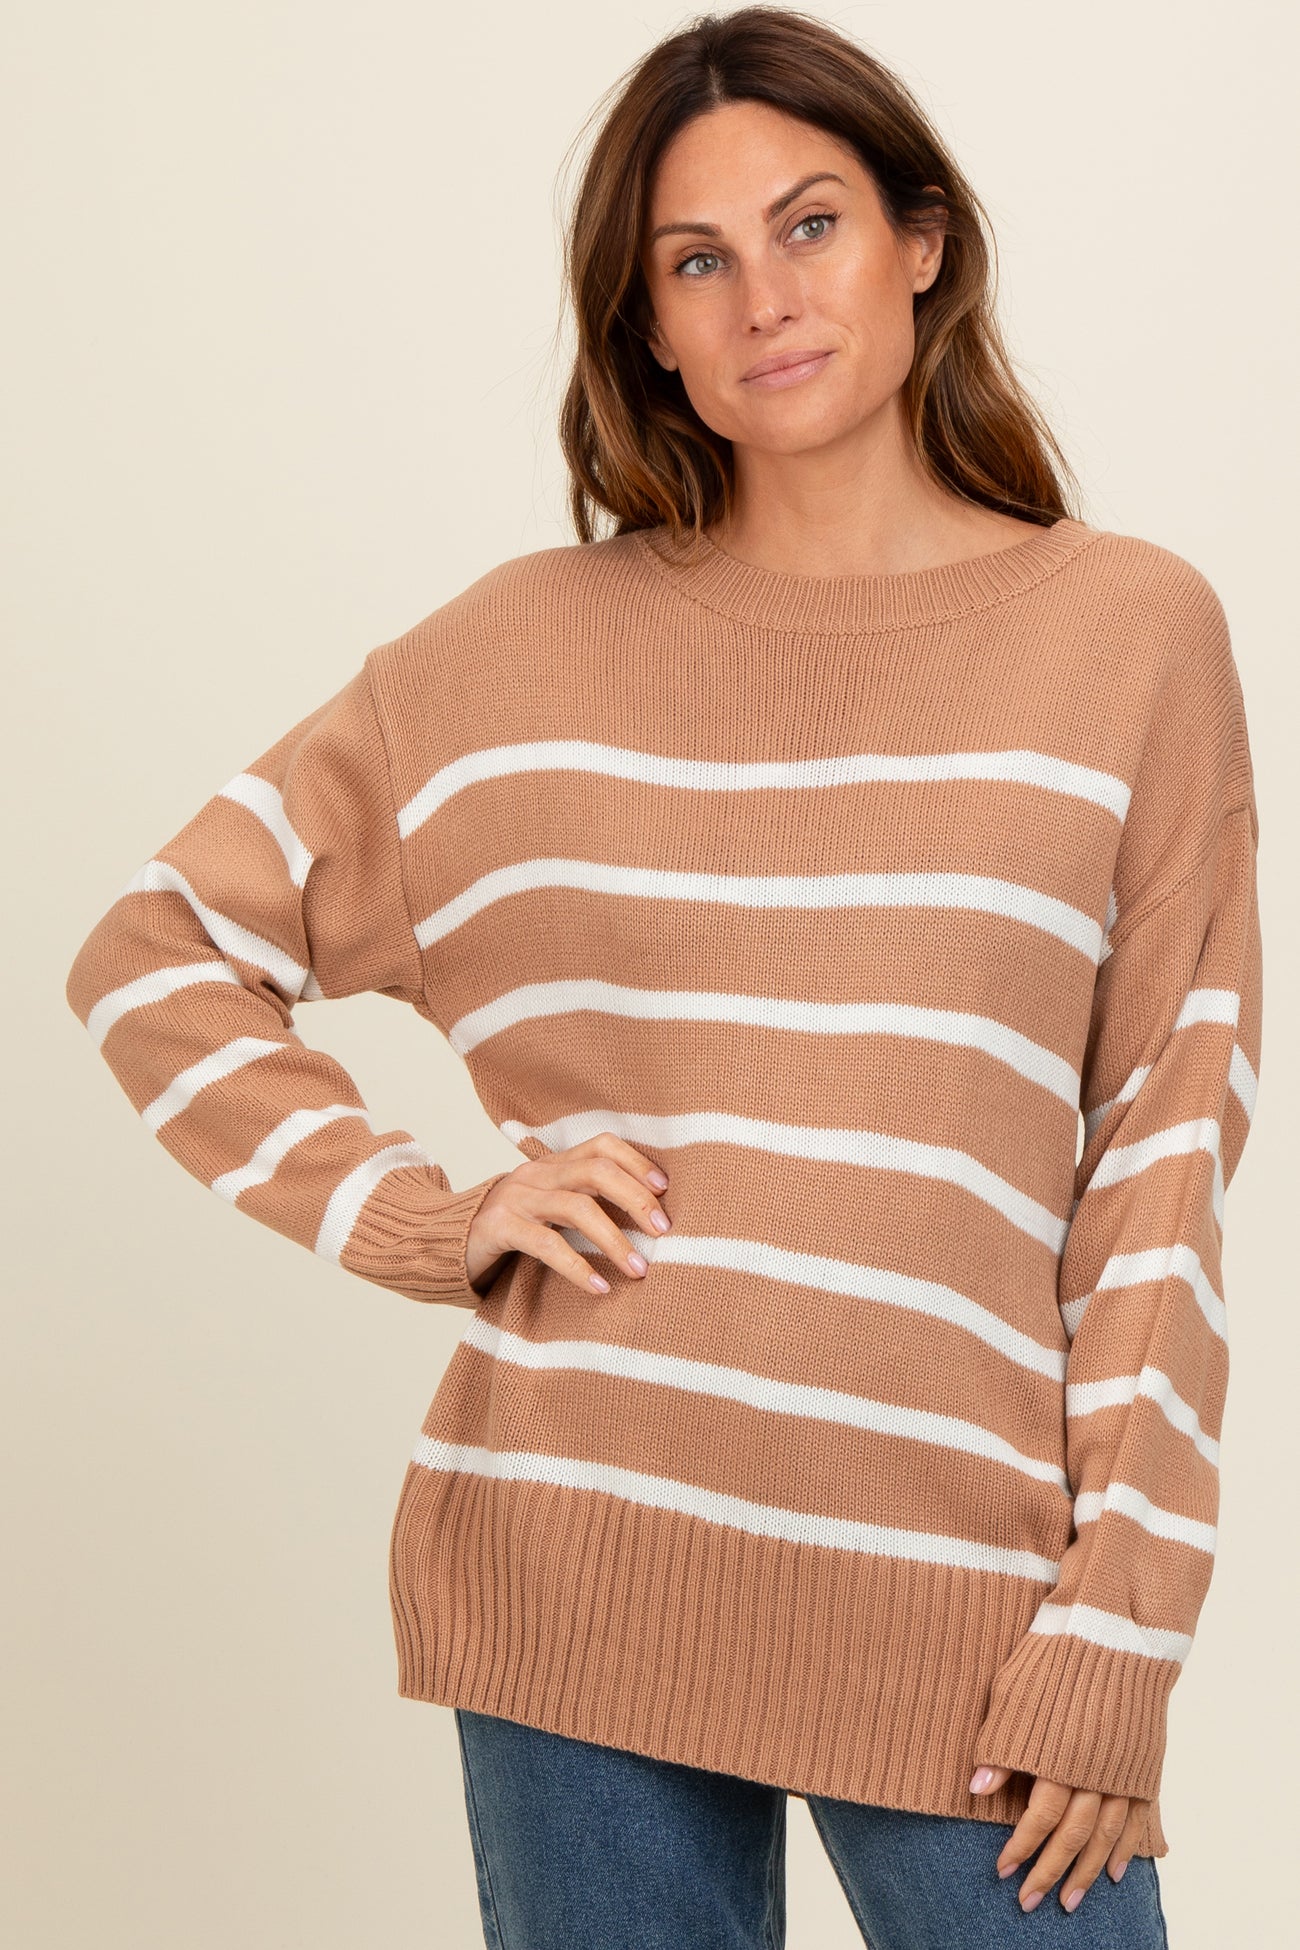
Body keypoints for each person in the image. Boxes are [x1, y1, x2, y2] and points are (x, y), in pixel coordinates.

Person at [65, 8, 1261, 1946]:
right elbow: (156, 949)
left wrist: (1117, 1628)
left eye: (809, 225)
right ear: (646, 329)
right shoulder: (513, 654)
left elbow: (1163, 1159)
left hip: (967, 1596)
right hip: (579, 1562)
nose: (760, 297)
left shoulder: (1127, 634)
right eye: (692, 261)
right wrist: (430, 1215)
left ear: (922, 241)